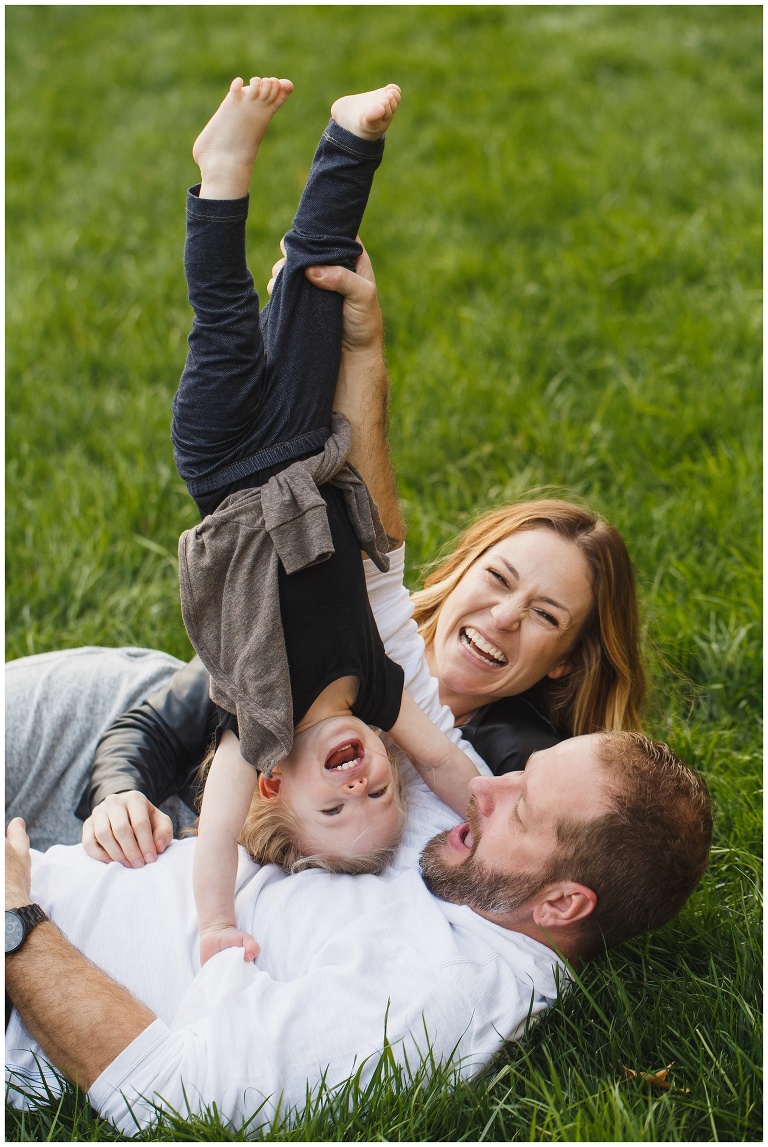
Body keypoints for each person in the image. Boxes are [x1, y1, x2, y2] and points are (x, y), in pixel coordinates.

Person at [5, 632, 712, 1134]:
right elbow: (376, 617)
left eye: (521, 804)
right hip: (71, 840)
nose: (486, 787)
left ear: (561, 903)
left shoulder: (428, 997)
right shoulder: (487, 867)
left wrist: (18, 920)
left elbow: (178, 1097)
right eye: (522, 769)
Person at [169, 76, 481, 964]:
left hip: (226, 465)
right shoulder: (378, 692)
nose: (365, 786)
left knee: (226, 320)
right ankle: (351, 141)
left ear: (276, 783)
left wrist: (219, 923)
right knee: (317, 281)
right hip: (307, 446)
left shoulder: (256, 726)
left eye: (333, 809)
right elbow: (453, 768)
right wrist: (488, 809)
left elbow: (222, 831)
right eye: (382, 798)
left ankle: (222, 170)